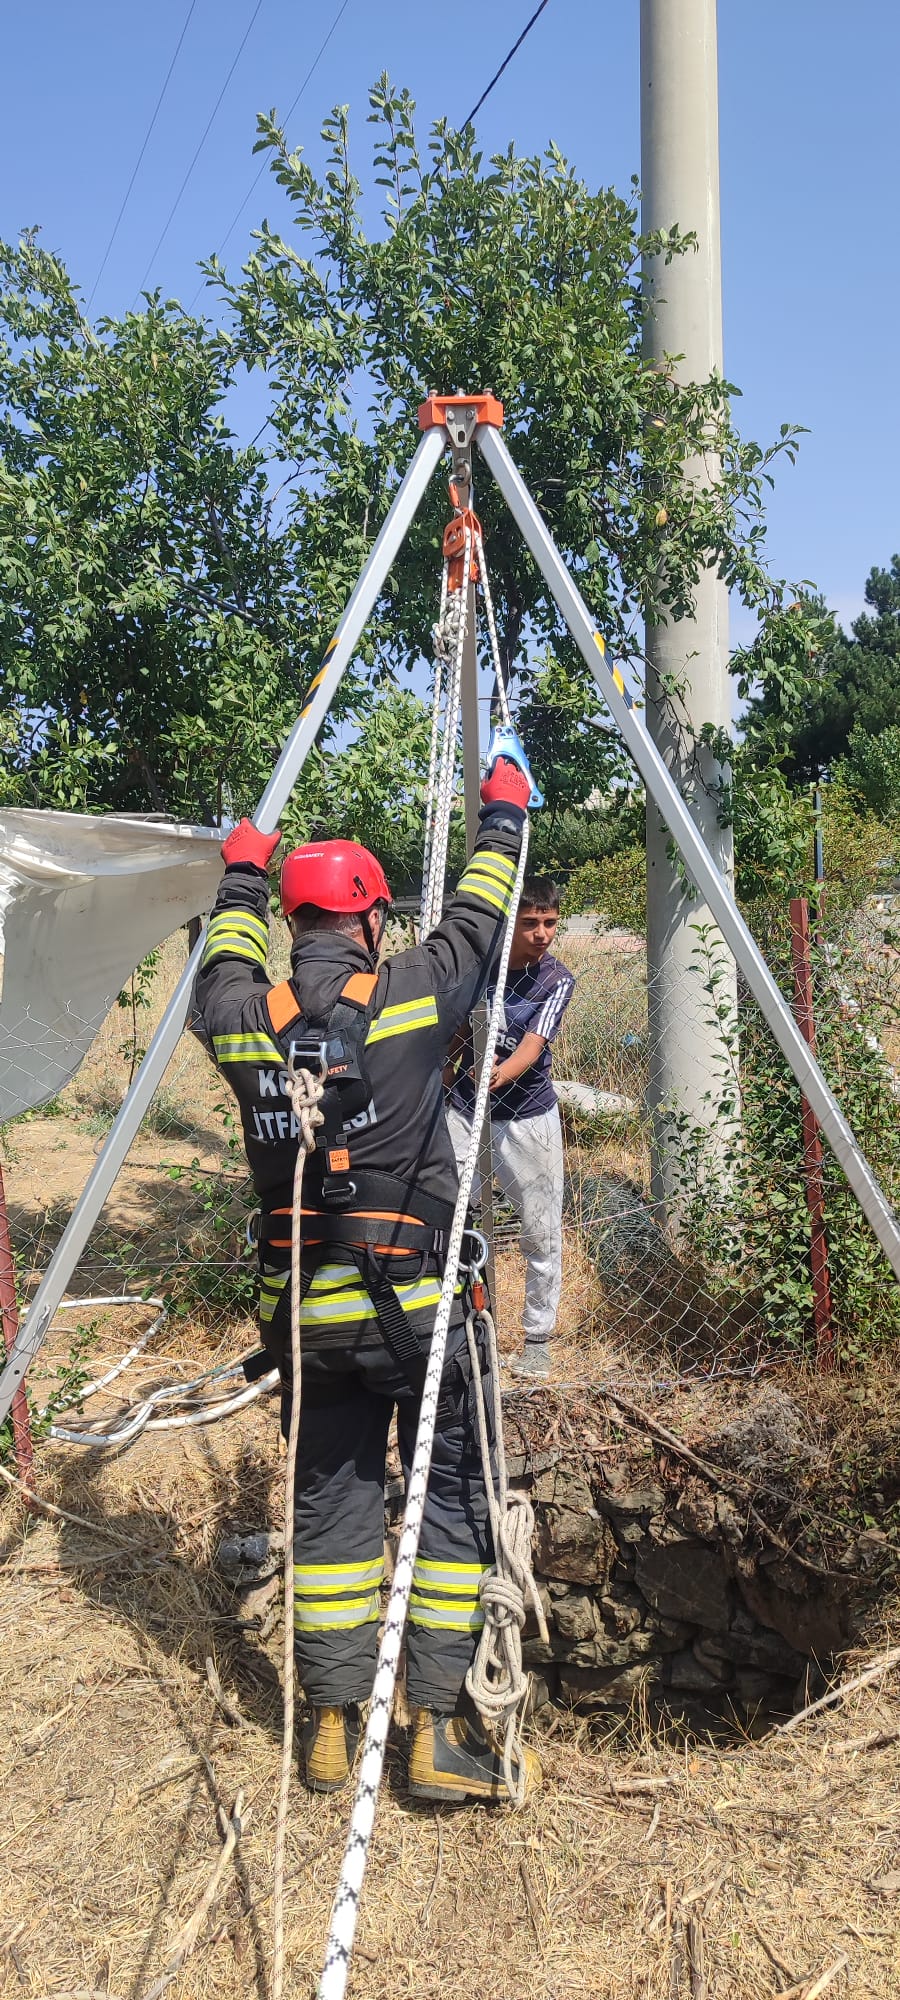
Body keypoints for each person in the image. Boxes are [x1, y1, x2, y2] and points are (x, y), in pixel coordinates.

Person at [194, 756, 541, 1805]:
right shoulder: (410, 991)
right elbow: (480, 917)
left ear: (292, 921)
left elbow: (222, 958)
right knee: (449, 1497)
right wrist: (503, 813)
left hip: (308, 1324)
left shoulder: (241, 1016)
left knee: (331, 1505)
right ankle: (433, 1729)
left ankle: (333, 1724)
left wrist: (241, 872)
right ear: (373, 920)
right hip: (419, 1311)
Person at [445, 877, 574, 1379]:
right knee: (454, 1221)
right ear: (511, 924)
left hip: (527, 1117)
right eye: (530, 923)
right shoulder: (481, 970)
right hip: (464, 1111)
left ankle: (537, 1339)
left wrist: (494, 1075)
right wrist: (444, 1079)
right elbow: (459, 1034)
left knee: (540, 1232)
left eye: (550, 923)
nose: (542, 933)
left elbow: (532, 1047)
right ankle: (463, 1328)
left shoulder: (555, 979)